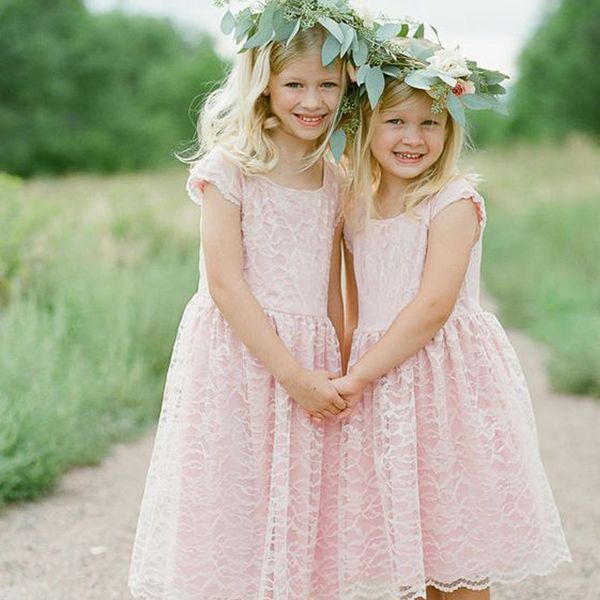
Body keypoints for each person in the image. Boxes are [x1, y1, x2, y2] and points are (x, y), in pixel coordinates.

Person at [128, 14, 351, 600]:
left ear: (348, 85)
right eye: (295, 85)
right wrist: (292, 375)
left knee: (303, 503)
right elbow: (225, 285)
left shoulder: (334, 176)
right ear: (265, 86)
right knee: (232, 500)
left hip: (311, 352)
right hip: (239, 356)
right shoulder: (231, 168)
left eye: (328, 84)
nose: (312, 100)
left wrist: (343, 361)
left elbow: (331, 283)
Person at [333, 65, 572, 599]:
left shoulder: (452, 201)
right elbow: (352, 302)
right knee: (408, 542)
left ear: (451, 128)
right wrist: (348, 363)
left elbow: (435, 305)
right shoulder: (354, 206)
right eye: (396, 121)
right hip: (385, 390)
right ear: (366, 122)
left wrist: (358, 376)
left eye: (431, 122)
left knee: (457, 542)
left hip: (445, 387)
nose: (414, 138)